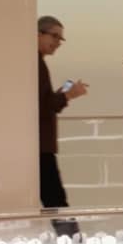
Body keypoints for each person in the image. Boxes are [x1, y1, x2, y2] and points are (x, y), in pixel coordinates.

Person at [37, 16, 88, 226]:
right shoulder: (34, 63)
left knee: (54, 198)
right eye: (54, 36)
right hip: (39, 145)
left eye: (61, 38)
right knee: (55, 198)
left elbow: (45, 102)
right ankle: (71, 242)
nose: (58, 42)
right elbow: (43, 105)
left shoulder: (36, 63)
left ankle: (70, 241)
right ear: (38, 34)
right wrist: (68, 95)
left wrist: (63, 95)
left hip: (40, 144)